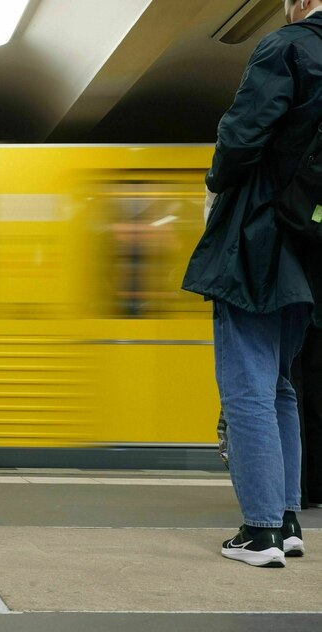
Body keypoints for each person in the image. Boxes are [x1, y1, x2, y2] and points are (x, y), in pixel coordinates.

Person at [182, 0, 322, 567]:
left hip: (257, 241)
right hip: (310, 251)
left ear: (301, 3)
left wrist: (215, 181)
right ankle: (286, 520)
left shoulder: (288, 46)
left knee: (246, 387)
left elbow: (243, 134)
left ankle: (260, 531)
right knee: (281, 386)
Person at [292, 326, 322, 508]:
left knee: (290, 393)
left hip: (293, 307)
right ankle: (317, 487)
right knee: (317, 397)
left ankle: (296, 491)